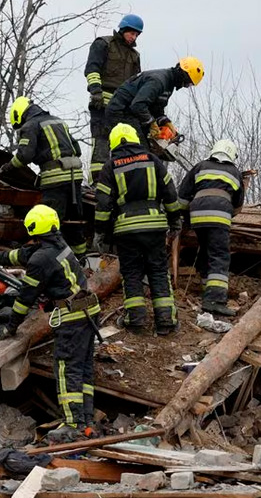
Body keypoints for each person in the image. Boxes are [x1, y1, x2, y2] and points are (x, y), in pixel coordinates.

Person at [0, 205, 101, 443]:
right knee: (83, 369)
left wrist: (10, 327)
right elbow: (21, 255)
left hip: (72, 318)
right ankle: (86, 421)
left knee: (66, 369)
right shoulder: (58, 246)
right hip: (88, 313)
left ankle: (73, 424)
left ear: (33, 228)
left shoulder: (41, 259)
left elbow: (24, 300)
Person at [94, 124, 182, 336]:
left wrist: (102, 232)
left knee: (132, 273)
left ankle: (136, 320)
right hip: (154, 227)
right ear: (135, 139)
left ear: (114, 143)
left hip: (126, 230)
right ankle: (166, 321)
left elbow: (103, 205)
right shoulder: (153, 160)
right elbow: (170, 194)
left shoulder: (110, 166)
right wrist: (174, 221)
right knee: (158, 271)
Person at [2, 97, 87, 257]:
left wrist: (7, 167)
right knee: (73, 223)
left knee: (50, 223)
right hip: (75, 177)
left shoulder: (29, 126)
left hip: (55, 181)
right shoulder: (58, 121)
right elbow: (77, 148)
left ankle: (54, 260)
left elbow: (24, 156)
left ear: (18, 115)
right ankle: (81, 260)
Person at [177, 139, 245, 317]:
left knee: (206, 251)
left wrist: (184, 218)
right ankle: (215, 301)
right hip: (220, 215)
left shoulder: (200, 167)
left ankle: (208, 290)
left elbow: (183, 197)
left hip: (197, 215)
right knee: (220, 255)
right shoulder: (235, 173)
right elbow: (238, 205)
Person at [84, 14, 143, 185]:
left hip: (123, 109)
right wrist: (95, 91)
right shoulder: (103, 44)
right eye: (131, 33)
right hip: (101, 102)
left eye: (136, 35)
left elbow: (136, 82)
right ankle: (97, 182)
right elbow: (92, 68)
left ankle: (119, 182)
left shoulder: (134, 55)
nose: (133, 37)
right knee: (101, 142)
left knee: (124, 144)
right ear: (123, 29)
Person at [104, 57, 205, 147]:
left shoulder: (168, 84)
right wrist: (151, 123)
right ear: (184, 75)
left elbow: (156, 109)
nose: (185, 86)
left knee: (147, 148)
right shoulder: (158, 81)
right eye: (188, 83)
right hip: (120, 112)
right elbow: (138, 105)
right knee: (140, 148)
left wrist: (165, 122)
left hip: (132, 113)